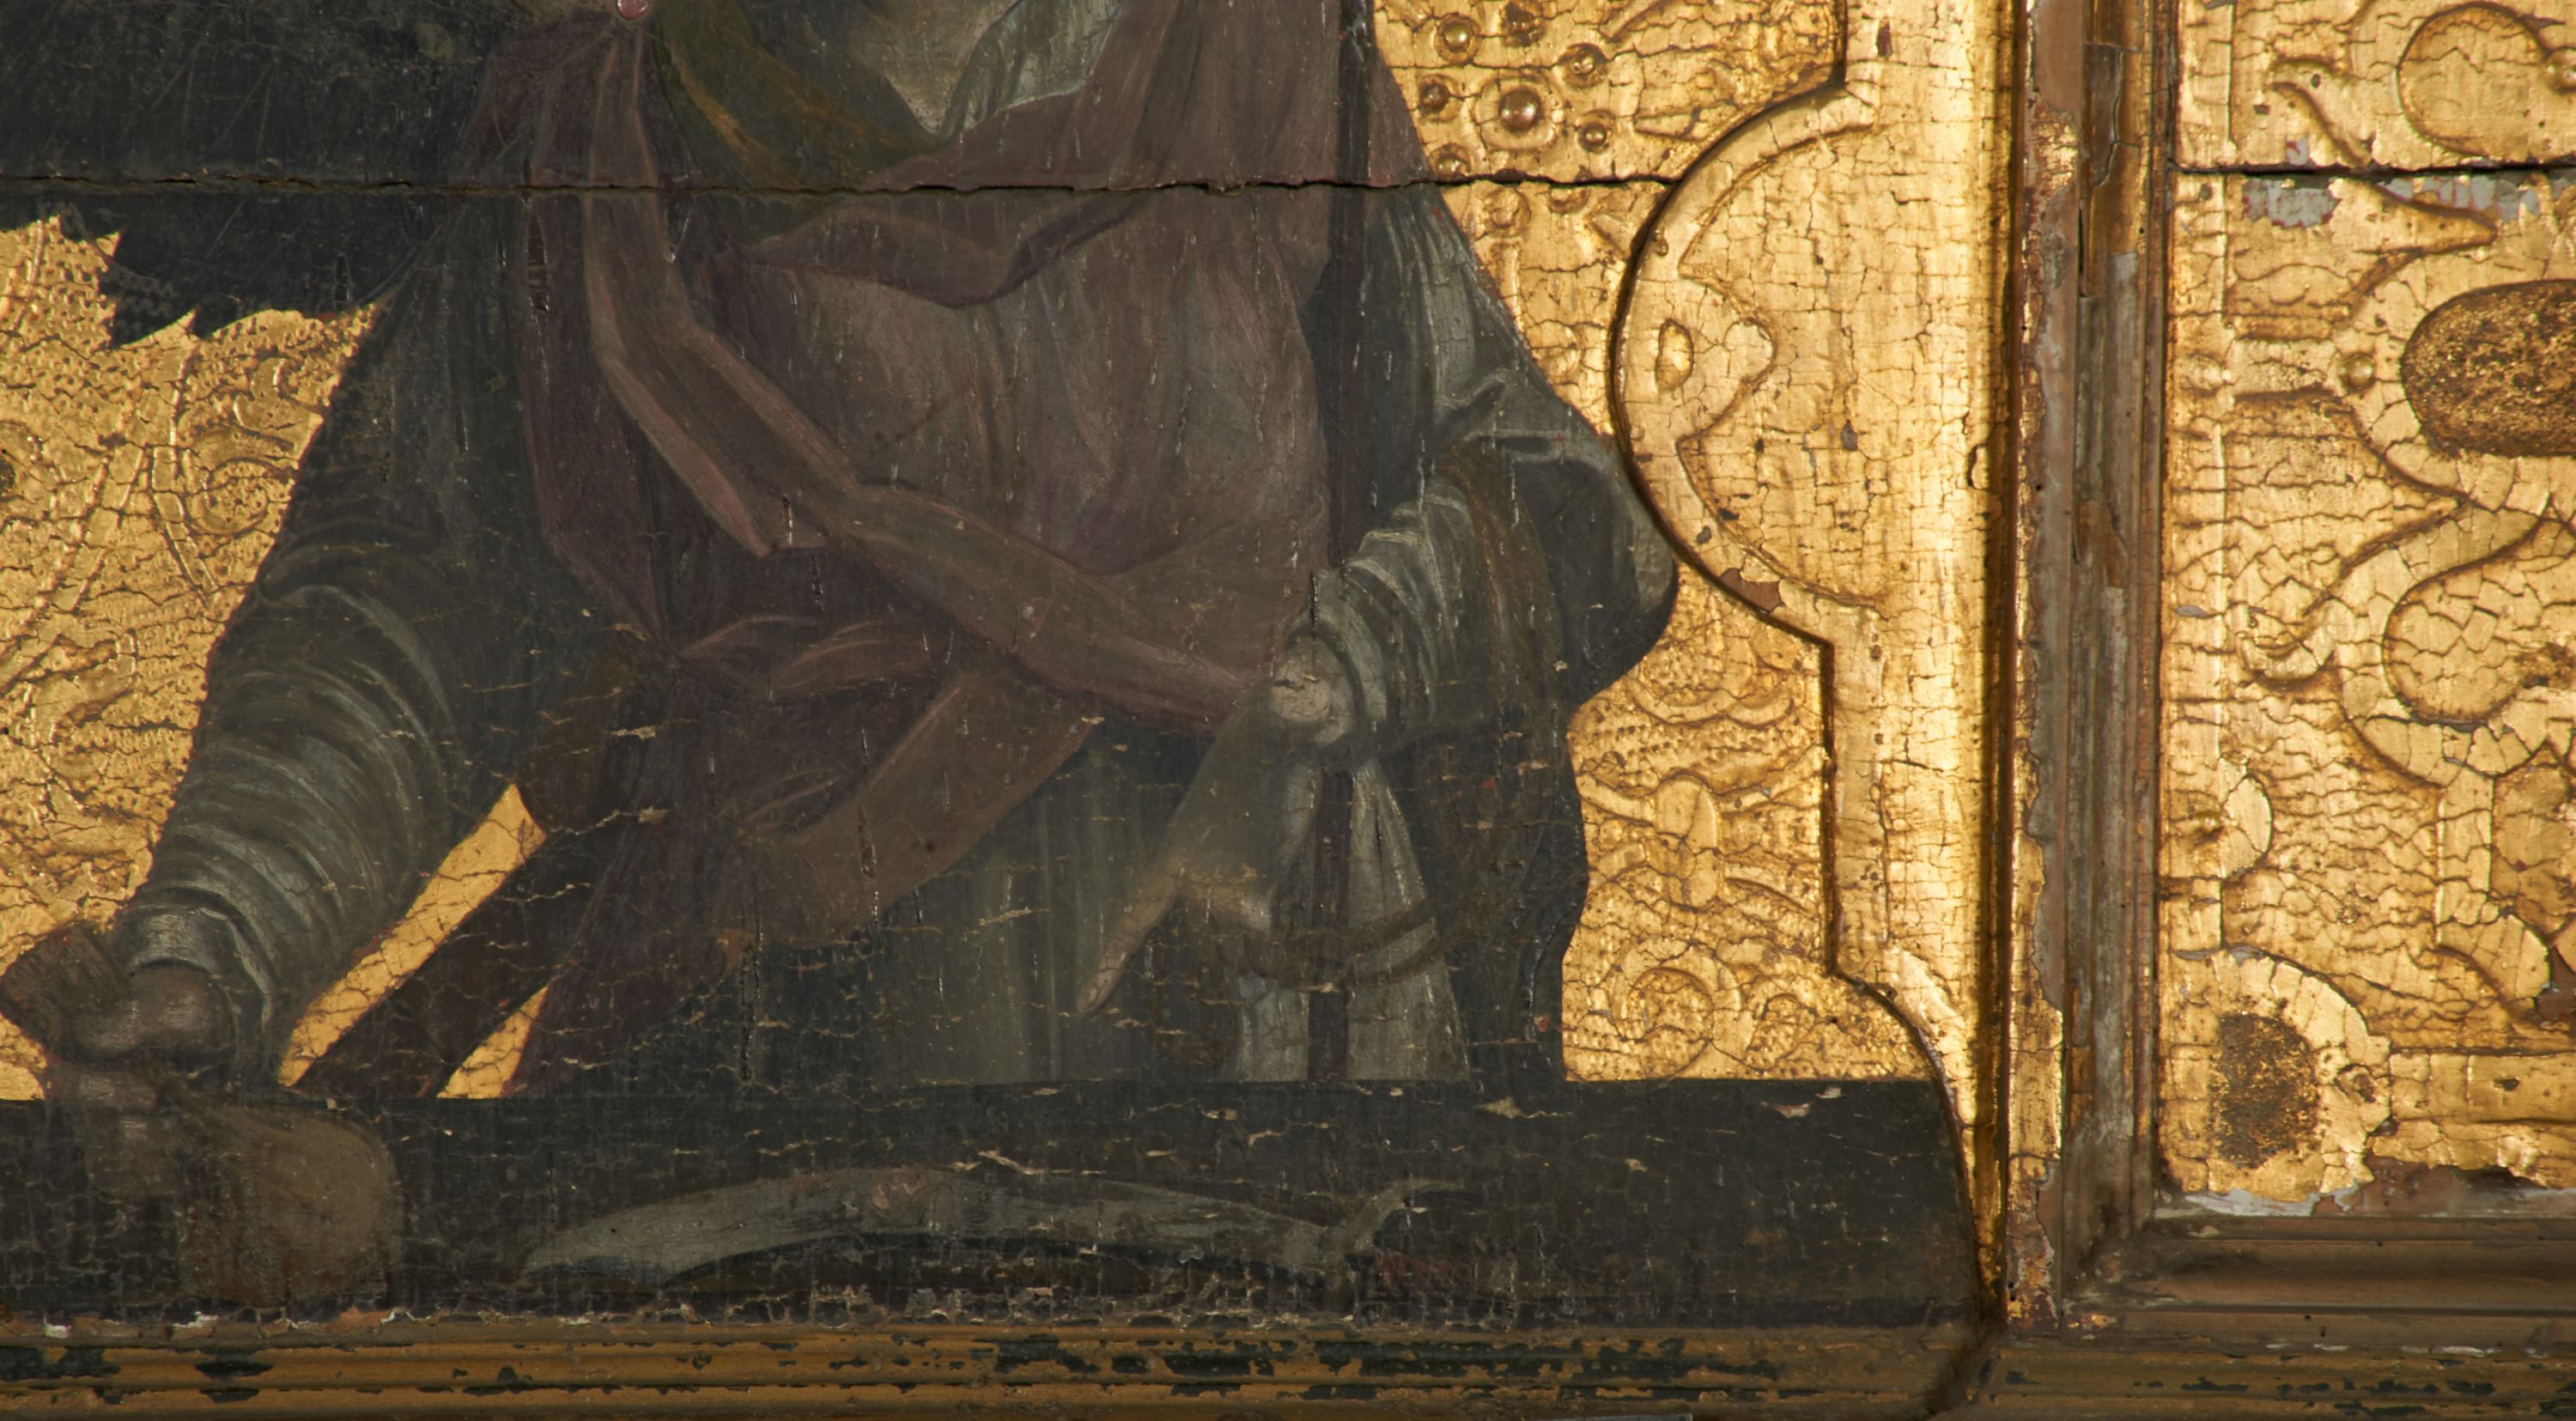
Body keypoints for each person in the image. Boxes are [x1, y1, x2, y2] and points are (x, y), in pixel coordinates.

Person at [22, 0, 1676, 1106]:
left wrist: (1331, 678)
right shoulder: (604, 126)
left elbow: (1563, 506)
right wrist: (211, 951)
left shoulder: (1252, 49)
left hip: (1236, 1018)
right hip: (771, 1033)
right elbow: (398, 607)